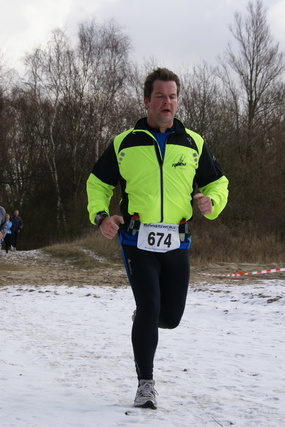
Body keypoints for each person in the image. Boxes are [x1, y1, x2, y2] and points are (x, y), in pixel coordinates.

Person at [86, 67, 229, 409]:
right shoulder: (125, 143)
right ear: (147, 100)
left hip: (177, 242)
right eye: (161, 96)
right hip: (137, 241)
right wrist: (101, 216)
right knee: (150, 306)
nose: (168, 103)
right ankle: (145, 384)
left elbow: (217, 183)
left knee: (171, 317)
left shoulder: (193, 143)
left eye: (173, 96)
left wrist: (212, 203)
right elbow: (97, 184)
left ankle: (144, 320)